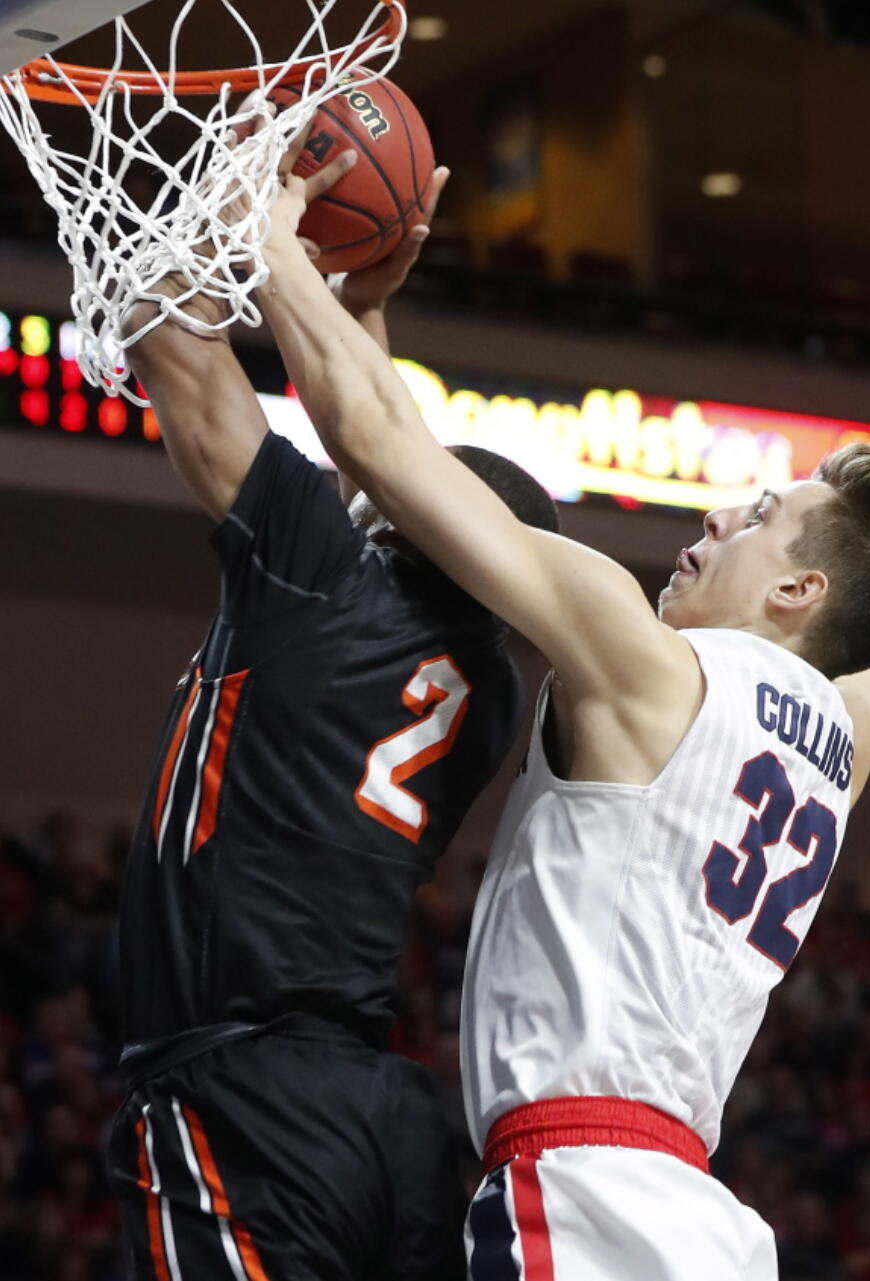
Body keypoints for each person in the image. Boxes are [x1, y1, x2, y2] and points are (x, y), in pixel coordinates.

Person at [250, 150, 870, 1279]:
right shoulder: (836, 740)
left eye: (753, 517)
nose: (714, 514)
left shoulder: (647, 668)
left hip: (588, 1197)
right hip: (701, 1224)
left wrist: (268, 241)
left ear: (799, 591)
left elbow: (381, 450)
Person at [103, 156, 559, 1281]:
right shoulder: (489, 680)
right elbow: (385, 468)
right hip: (378, 1113)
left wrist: (242, 207)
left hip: (244, 1085)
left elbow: (167, 335)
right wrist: (358, 305)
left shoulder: (321, 576)